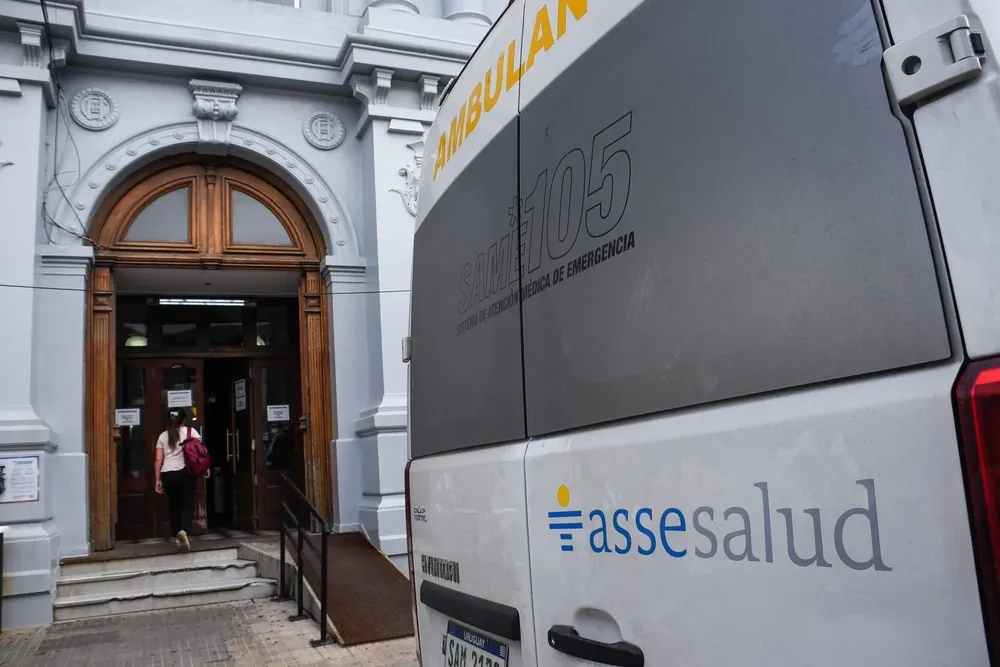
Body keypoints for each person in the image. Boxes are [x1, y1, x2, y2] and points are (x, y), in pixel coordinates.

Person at [154, 408, 209, 552]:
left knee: (174, 507)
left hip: (168, 474)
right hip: (185, 473)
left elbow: (158, 459)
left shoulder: (162, 436)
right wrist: (205, 468)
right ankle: (184, 531)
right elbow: (201, 452)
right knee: (187, 505)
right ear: (184, 420)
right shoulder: (191, 432)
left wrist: (157, 479)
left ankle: (177, 537)